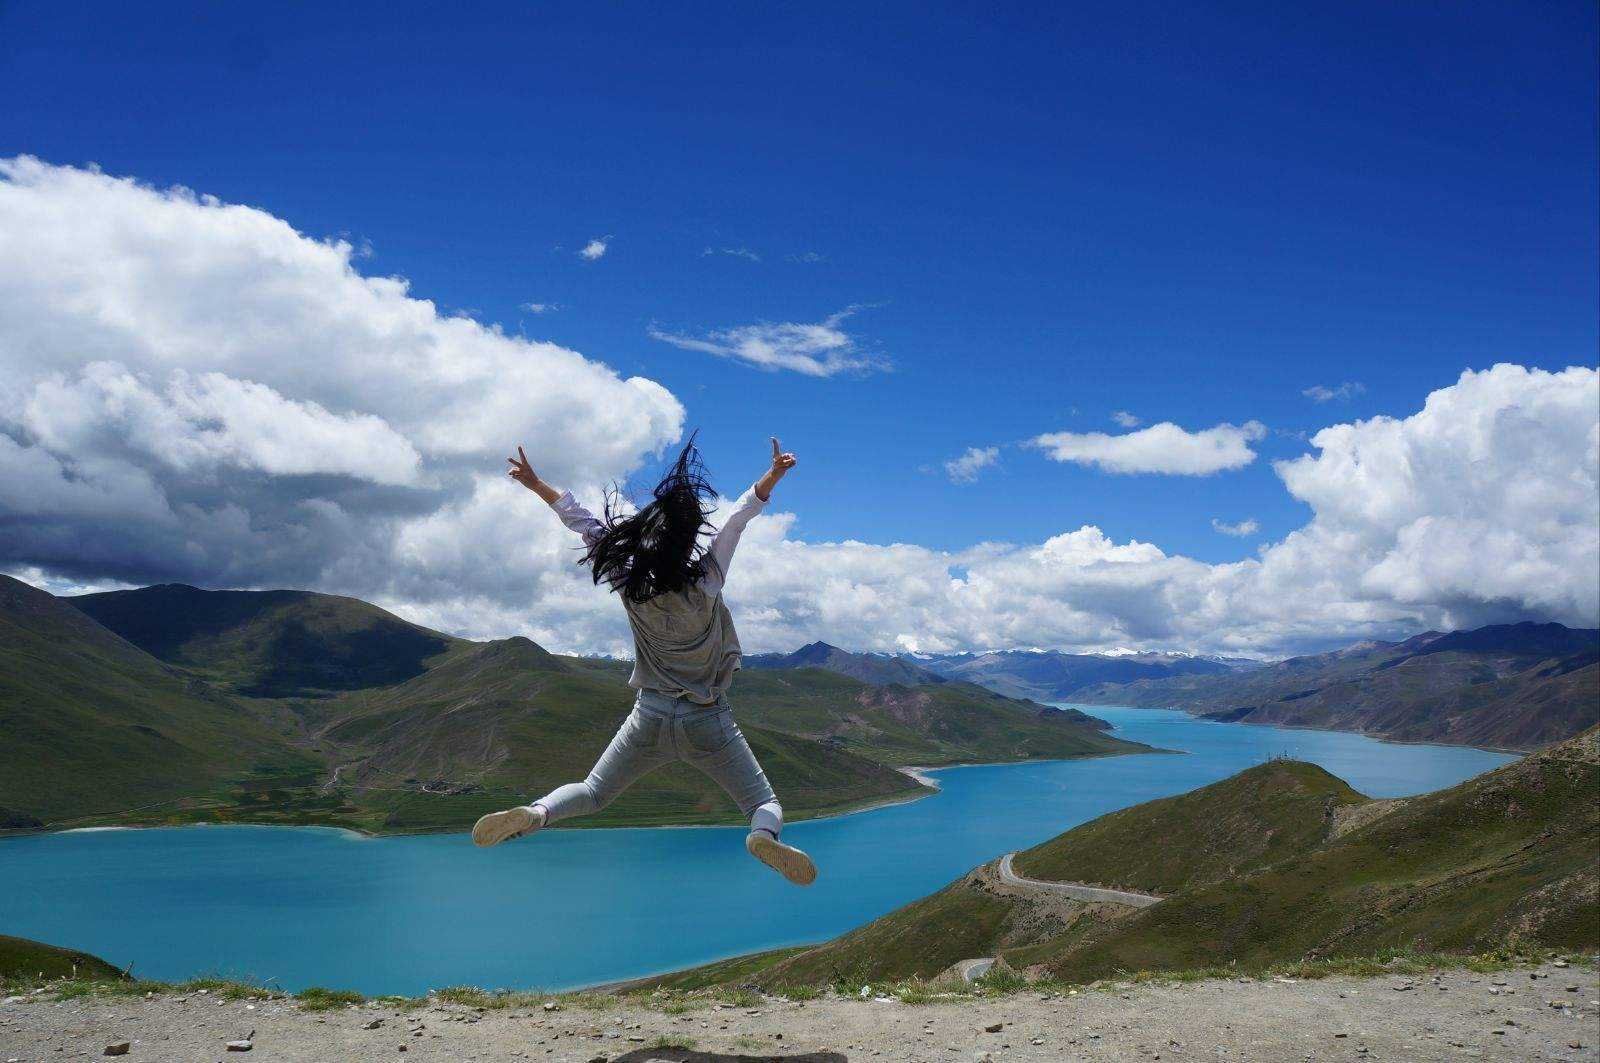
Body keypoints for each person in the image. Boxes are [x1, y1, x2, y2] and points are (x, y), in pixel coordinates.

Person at [470, 435, 818, 886]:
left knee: (593, 792)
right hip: (708, 719)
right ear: (687, 539)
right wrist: (773, 475)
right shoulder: (707, 581)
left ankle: (539, 812)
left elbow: (585, 523)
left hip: (650, 714)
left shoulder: (627, 582)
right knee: (762, 802)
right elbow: (737, 519)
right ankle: (761, 835)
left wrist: (537, 484)